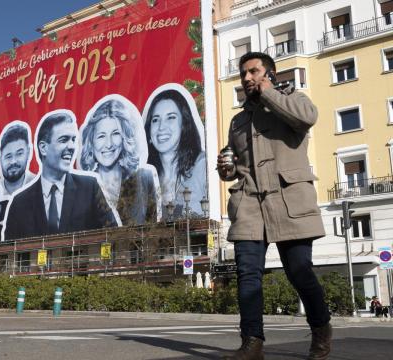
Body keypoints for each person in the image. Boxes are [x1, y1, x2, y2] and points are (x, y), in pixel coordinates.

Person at [217, 52, 331, 360]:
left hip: (287, 198)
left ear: (270, 74)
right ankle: (251, 343)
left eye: (254, 71)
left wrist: (269, 93)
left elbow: (307, 118)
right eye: (243, 73)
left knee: (299, 271)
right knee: (248, 273)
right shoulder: (238, 120)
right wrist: (226, 170)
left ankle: (321, 328)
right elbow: (237, 165)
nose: (247, 78)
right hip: (250, 202)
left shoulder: (294, 99)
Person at [4, 111, 117, 240]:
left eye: (73, 140)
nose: (71, 146)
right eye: (64, 140)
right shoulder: (19, 204)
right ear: (43, 148)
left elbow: (114, 236)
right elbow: (10, 253)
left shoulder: (90, 188)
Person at [80, 98, 158, 225]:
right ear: (91, 141)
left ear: (124, 138)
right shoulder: (82, 190)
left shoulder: (144, 178)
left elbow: (153, 230)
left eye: (115, 134)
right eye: (101, 136)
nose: (109, 144)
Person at [144, 87, 206, 220]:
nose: (161, 127)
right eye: (155, 120)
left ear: (184, 124)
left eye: (170, 118)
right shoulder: (143, 178)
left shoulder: (202, 165)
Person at [0, 122, 36, 196]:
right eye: (8, 156)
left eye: (19, 154)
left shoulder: (40, 186)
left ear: (28, 152)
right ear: (0, 159)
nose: (13, 161)